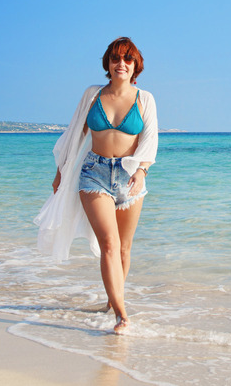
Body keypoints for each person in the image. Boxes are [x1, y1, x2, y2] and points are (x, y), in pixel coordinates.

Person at [34, 37, 158, 334]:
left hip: (130, 176)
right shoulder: (92, 95)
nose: (121, 64)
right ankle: (122, 315)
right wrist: (60, 171)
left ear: (136, 65)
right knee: (109, 244)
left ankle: (112, 301)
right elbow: (74, 134)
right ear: (108, 63)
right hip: (94, 174)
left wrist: (142, 171)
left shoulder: (145, 99)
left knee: (124, 248)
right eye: (115, 58)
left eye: (127, 59)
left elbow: (150, 139)